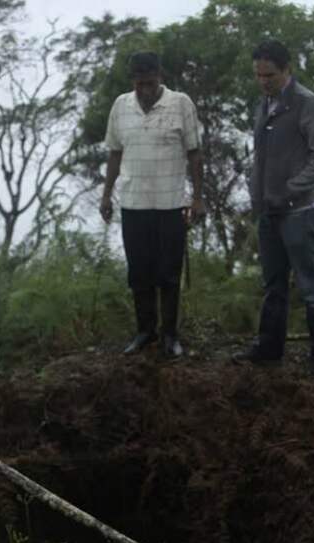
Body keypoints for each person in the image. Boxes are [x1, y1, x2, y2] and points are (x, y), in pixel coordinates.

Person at [233, 39, 314, 373]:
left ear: (287, 70)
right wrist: (256, 196)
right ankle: (269, 351)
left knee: (312, 286)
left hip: (300, 213)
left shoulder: (308, 103)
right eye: (258, 75)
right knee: (273, 285)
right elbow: (261, 158)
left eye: (270, 75)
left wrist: (291, 190)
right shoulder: (262, 105)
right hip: (268, 213)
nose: (264, 81)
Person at [100, 51, 204, 358]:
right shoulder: (121, 106)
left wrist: (197, 198)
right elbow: (115, 153)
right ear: (132, 80)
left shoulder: (181, 103)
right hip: (133, 204)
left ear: (160, 76)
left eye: (150, 82)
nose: (145, 89)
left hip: (171, 204)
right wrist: (106, 194)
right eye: (140, 83)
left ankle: (170, 336)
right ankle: (145, 332)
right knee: (139, 273)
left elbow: (195, 153)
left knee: (169, 274)